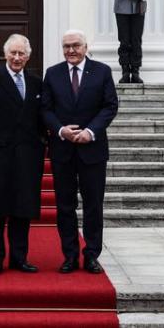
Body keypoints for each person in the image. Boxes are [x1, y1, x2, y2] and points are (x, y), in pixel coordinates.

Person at [41, 29, 118, 274]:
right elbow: (45, 109)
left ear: (85, 47)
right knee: (65, 206)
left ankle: (92, 255)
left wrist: (91, 131)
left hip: (92, 149)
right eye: (66, 46)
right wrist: (61, 130)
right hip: (63, 149)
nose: (71, 51)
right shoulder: (52, 74)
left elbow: (110, 106)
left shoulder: (102, 71)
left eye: (75, 45)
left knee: (93, 204)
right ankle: (70, 255)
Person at [0, 34, 45, 275]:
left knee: (23, 208)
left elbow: (41, 118)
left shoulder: (36, 83)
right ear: (5, 54)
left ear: (28, 56)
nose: (16, 57)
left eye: (21, 53)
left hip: (27, 155)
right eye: (13, 53)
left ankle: (19, 258)